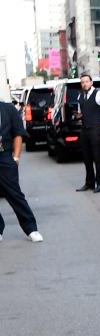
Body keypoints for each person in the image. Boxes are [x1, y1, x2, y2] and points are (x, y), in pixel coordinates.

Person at [0, 99, 43, 243]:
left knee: (14, 194)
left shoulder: (8, 109)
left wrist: (16, 157)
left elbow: (18, 133)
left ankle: (31, 228)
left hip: (4, 156)